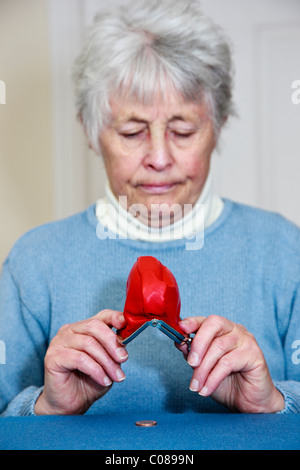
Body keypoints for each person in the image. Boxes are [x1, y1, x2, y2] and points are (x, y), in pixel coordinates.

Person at [0, 0, 299, 417]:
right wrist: (45, 408)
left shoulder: (286, 252)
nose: (159, 157)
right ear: (90, 132)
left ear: (220, 126)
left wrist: (275, 404)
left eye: (183, 130)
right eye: (131, 131)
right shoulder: (33, 263)